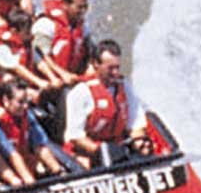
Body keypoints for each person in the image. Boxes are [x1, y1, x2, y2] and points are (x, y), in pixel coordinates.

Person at [62, 40, 152, 168]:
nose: (115, 73)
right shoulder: (80, 93)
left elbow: (136, 124)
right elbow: (76, 137)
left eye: (117, 67)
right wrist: (103, 152)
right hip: (88, 152)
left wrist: (139, 143)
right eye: (110, 68)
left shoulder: (124, 87)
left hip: (119, 148)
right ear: (96, 64)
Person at [0, 82, 66, 183]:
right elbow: (12, 153)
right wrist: (29, 183)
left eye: (26, 101)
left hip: (26, 169)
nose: (25, 106)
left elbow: (40, 146)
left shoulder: (27, 115)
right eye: (20, 102)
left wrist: (58, 171)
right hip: (6, 174)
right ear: (6, 101)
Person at [32, 0, 91, 88]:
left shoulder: (83, 29)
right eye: (79, 7)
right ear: (65, 5)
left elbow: (91, 55)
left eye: (85, 7)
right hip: (49, 83)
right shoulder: (46, 25)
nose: (83, 11)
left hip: (70, 80)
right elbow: (40, 56)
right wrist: (62, 74)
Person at [0, 7, 52, 91]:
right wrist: (39, 82)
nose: (31, 34)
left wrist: (52, 78)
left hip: (29, 83)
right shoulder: (2, 46)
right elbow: (17, 67)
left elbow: (39, 62)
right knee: (8, 78)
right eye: (27, 31)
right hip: (11, 88)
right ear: (14, 31)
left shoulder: (27, 43)